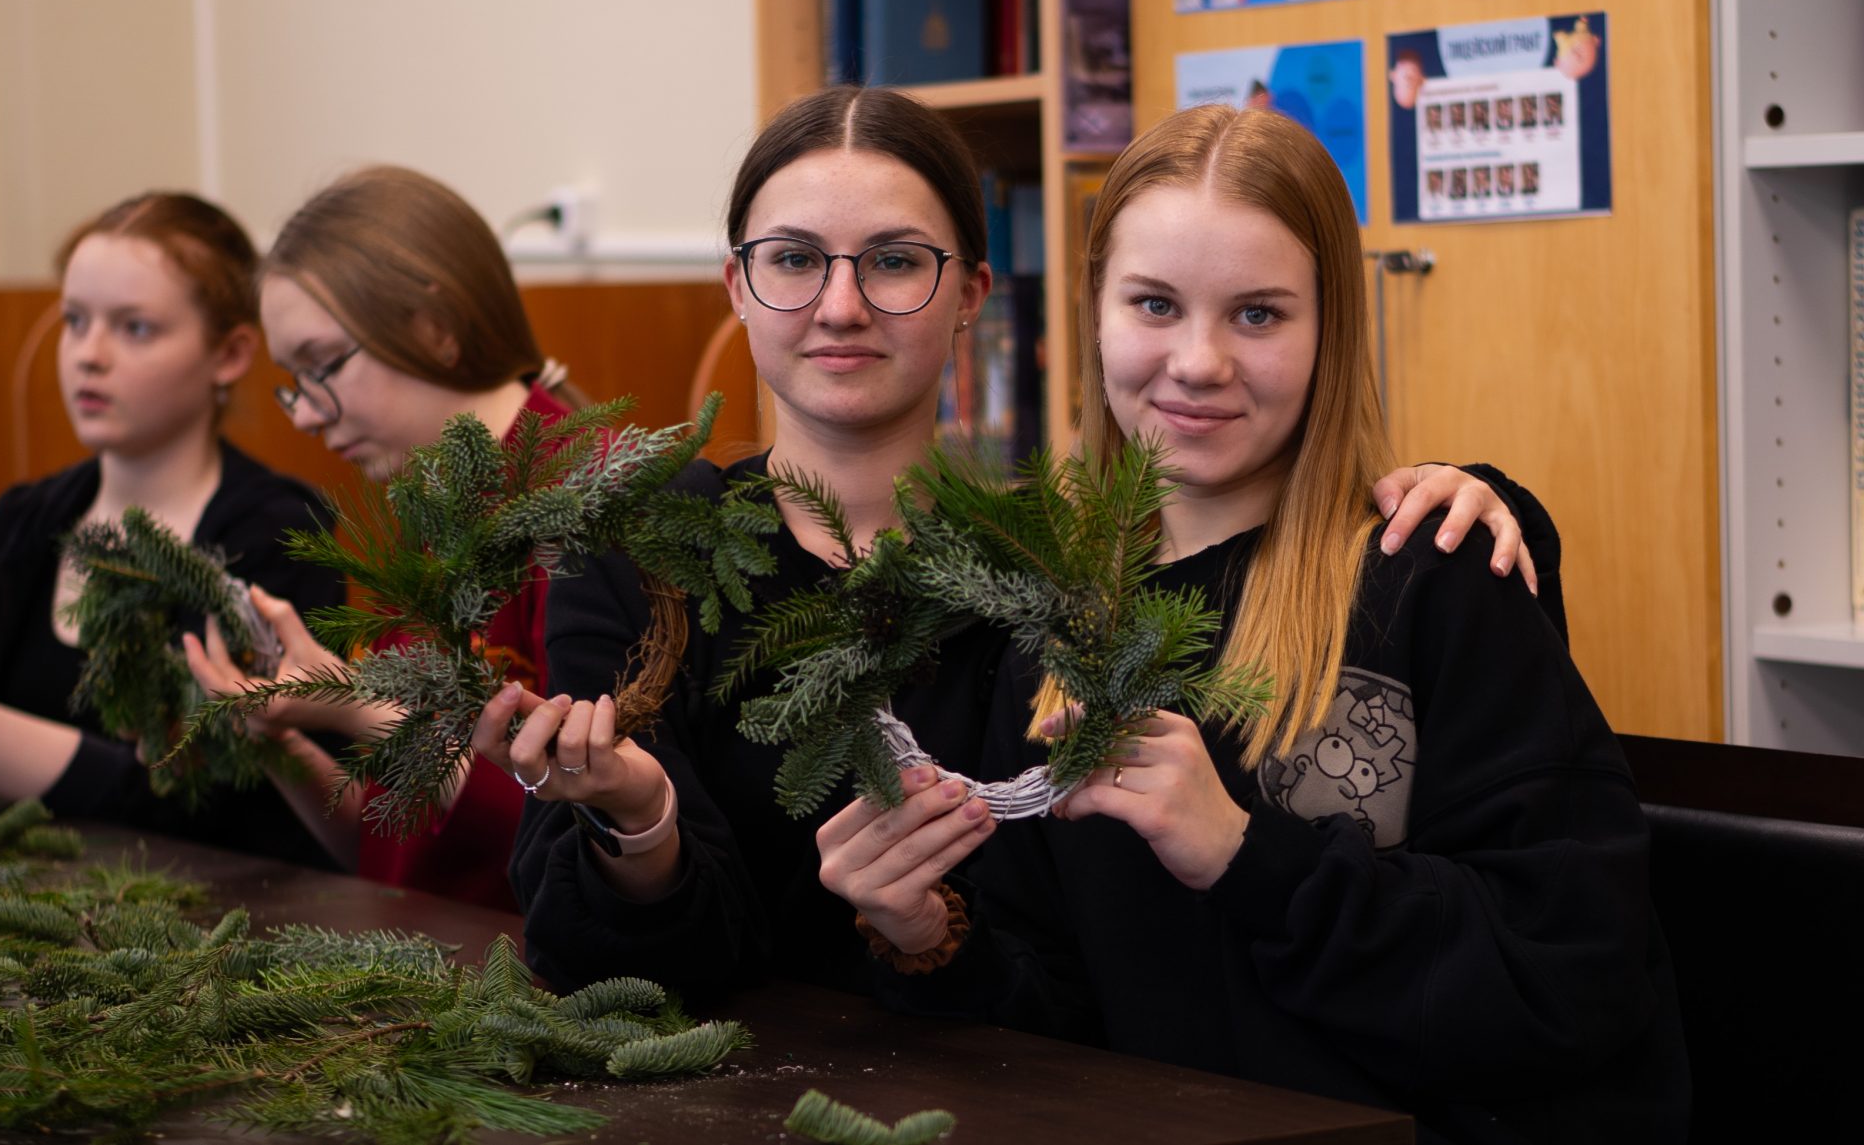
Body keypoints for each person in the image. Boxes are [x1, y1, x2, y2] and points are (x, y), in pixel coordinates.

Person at [484, 85, 1539, 1001]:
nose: (840, 305)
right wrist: (642, 819)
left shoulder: (1043, 577)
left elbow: (1071, 961)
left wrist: (1474, 497)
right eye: (794, 260)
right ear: (736, 285)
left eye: (894, 261)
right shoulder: (646, 554)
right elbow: (593, 946)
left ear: (971, 297)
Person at [819, 105, 1688, 1142]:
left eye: (1258, 315)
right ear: (1089, 315)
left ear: (1330, 328)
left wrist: (1241, 851)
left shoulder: (1435, 576)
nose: (1197, 362)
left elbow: (1564, 983)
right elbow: (1059, 1016)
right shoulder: (1045, 625)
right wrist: (928, 934)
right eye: (1153, 304)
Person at [0, 193, 344, 867]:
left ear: (231, 353)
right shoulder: (26, 521)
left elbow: (198, 801)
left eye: (136, 328)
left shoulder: (276, 533)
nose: (88, 356)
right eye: (74, 320)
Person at [183, 165, 573, 904]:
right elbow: (394, 850)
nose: (303, 414)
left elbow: (571, 832)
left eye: (322, 365)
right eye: (292, 380)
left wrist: (351, 704)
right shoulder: (430, 501)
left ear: (435, 325)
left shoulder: (575, 498)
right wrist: (283, 739)